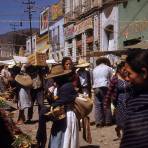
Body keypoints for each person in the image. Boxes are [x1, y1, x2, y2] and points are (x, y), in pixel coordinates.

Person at [120, 49, 148, 148]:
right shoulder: (135, 97)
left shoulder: (139, 107)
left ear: (144, 73)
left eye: (129, 73)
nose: (127, 78)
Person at [104, 61, 133, 139]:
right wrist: (106, 103)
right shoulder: (115, 79)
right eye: (124, 70)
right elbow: (109, 91)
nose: (125, 71)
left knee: (128, 118)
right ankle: (123, 132)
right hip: (119, 101)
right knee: (122, 118)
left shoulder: (129, 77)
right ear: (119, 70)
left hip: (129, 100)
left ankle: (123, 130)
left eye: (126, 70)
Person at [92, 57, 113, 127]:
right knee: (106, 103)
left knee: (98, 105)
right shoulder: (108, 68)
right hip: (105, 86)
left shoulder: (94, 69)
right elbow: (111, 79)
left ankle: (99, 122)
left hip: (96, 87)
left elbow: (93, 80)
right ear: (105, 62)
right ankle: (108, 121)